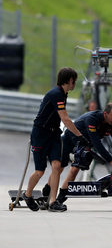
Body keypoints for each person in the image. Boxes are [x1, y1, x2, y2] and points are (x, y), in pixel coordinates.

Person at [23, 67, 88, 212]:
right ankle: (28, 195)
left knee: (57, 166)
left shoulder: (63, 94)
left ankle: (53, 202)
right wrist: (80, 136)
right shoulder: (57, 94)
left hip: (54, 135)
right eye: (74, 81)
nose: (74, 84)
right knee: (40, 171)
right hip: (40, 134)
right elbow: (65, 119)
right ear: (69, 80)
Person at [57, 103, 112, 204]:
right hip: (69, 139)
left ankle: (60, 199)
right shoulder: (92, 119)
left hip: (83, 144)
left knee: (75, 169)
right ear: (105, 114)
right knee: (58, 168)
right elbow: (97, 144)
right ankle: (48, 190)